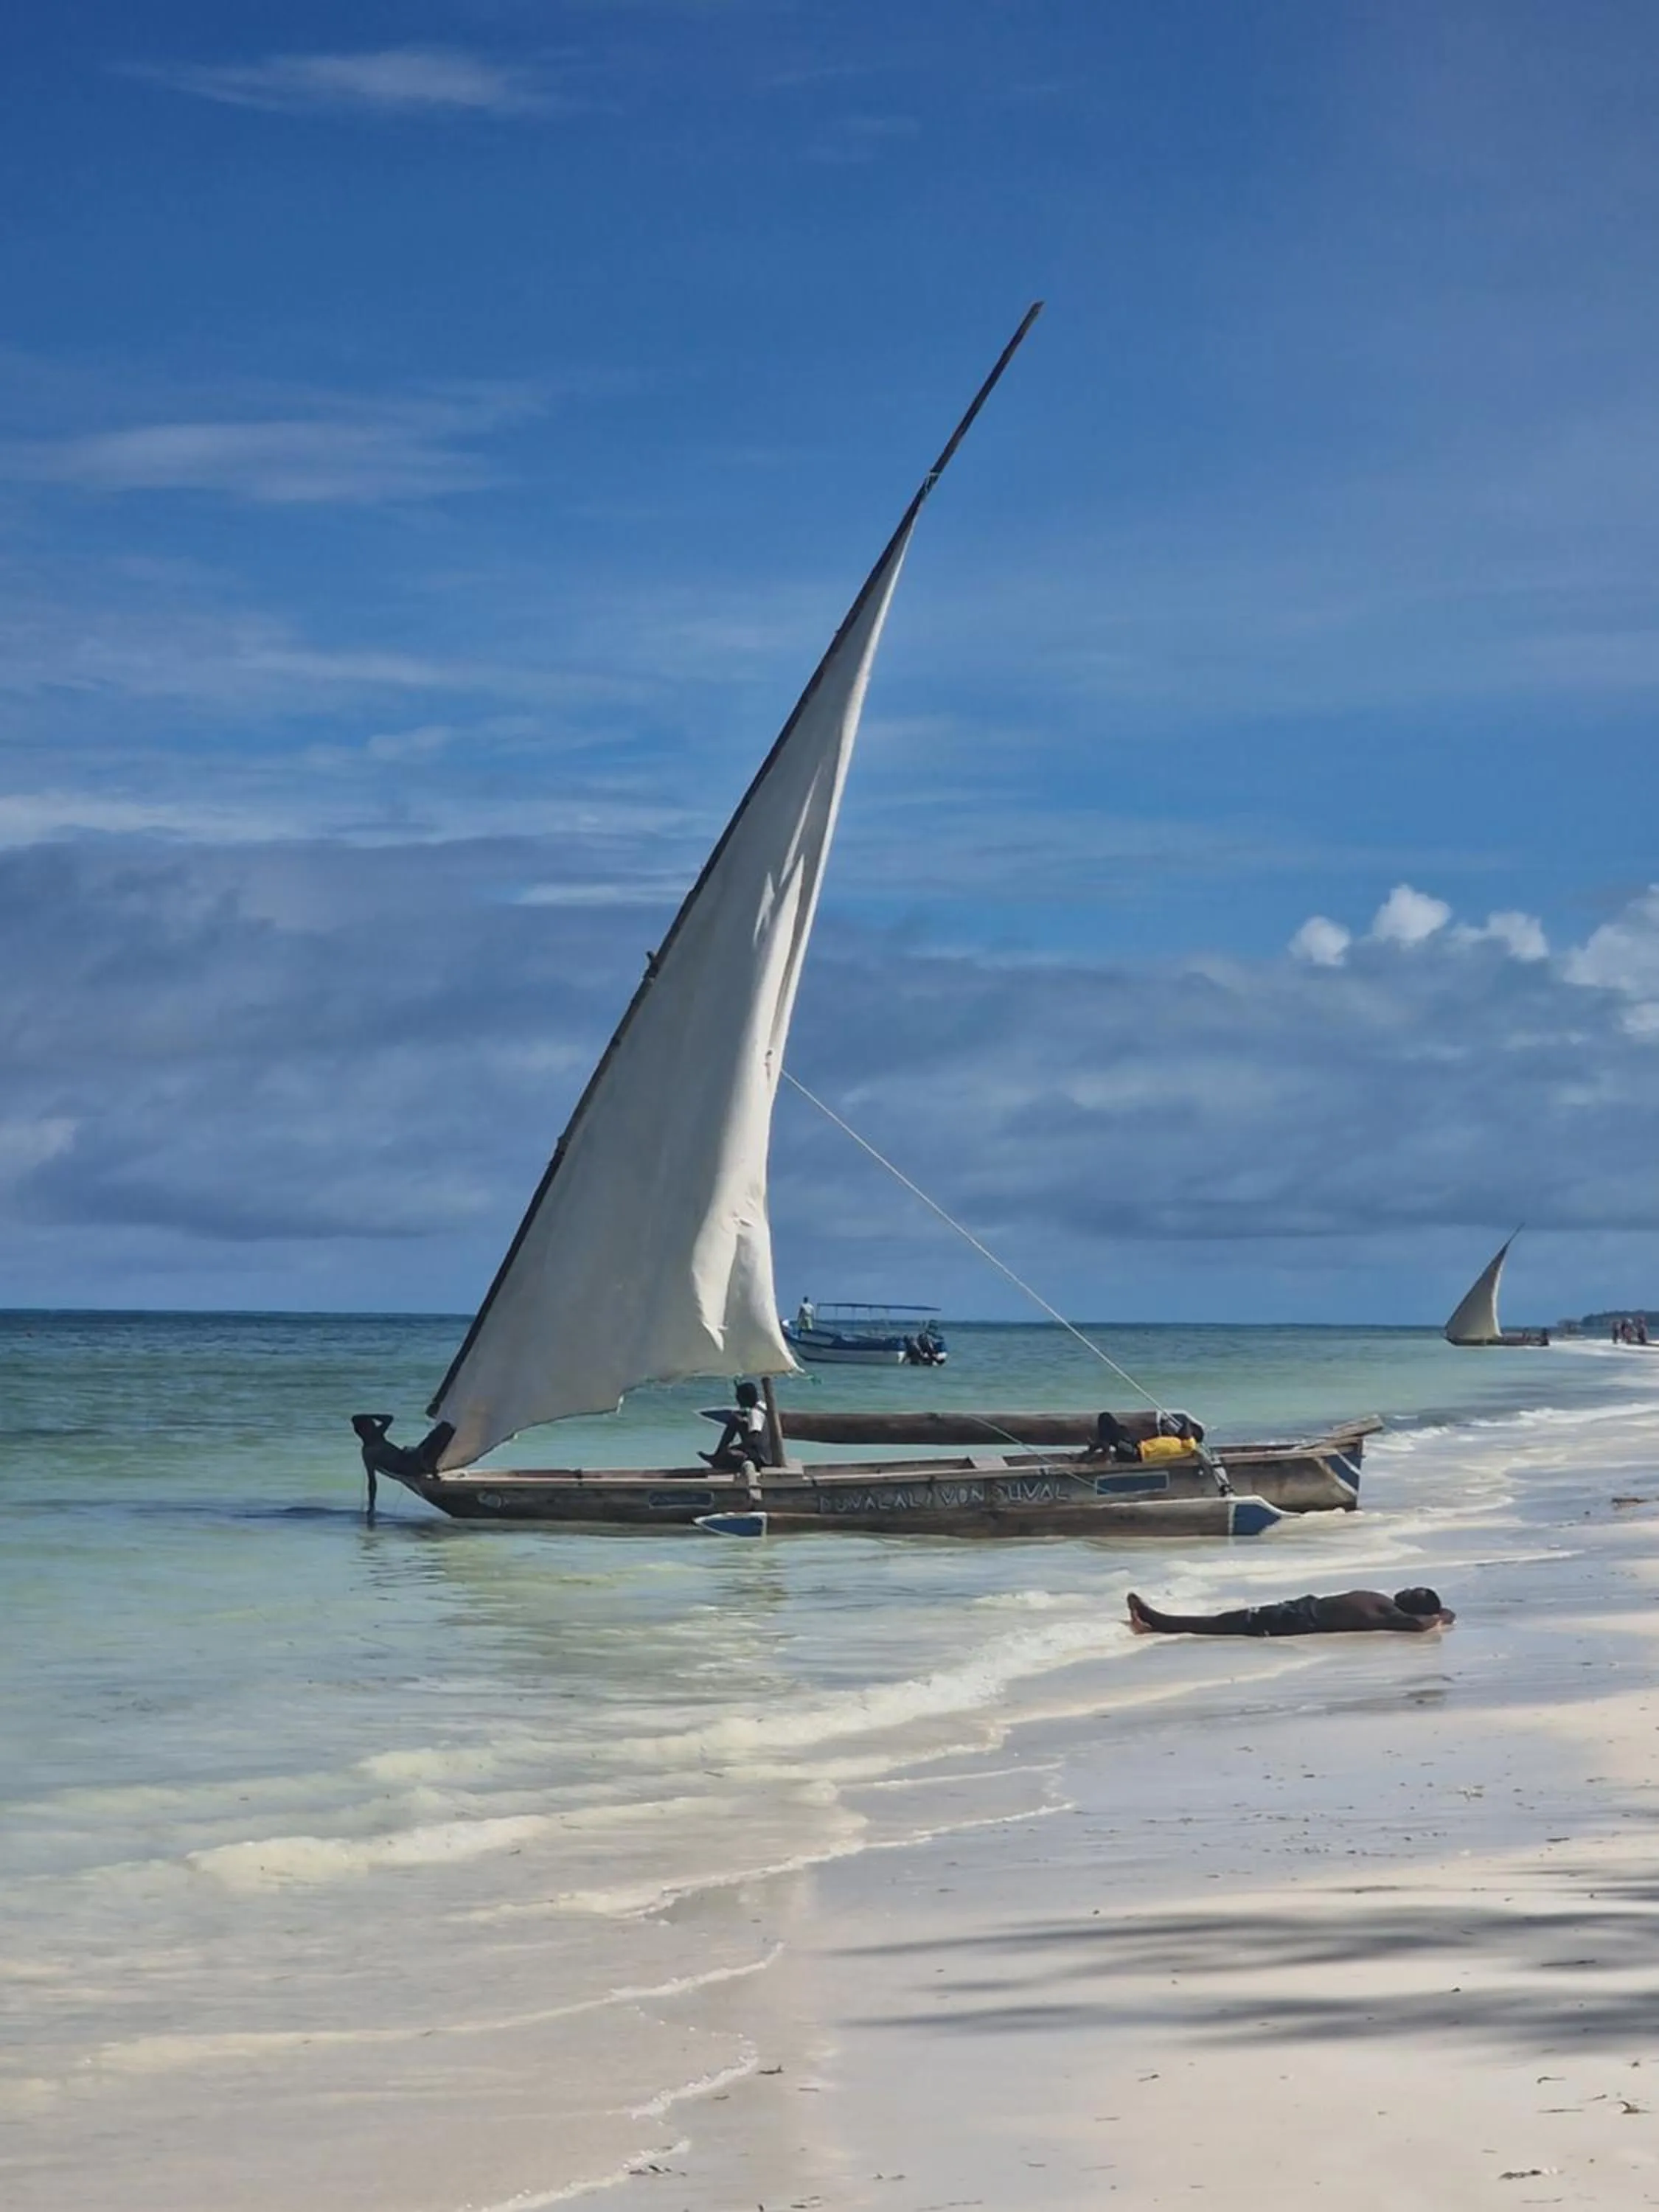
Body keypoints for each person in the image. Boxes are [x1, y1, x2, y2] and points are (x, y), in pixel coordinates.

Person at [1126, 1585, 1455, 1637]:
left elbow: (1419, 1625)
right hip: (1297, 1611)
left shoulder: (1390, 1613)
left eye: (1412, 1592)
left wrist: (1438, 1616)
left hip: (1294, 1620)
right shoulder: (1384, 1606)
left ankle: (1155, 1622)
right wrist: (1442, 1614)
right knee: (1223, 1622)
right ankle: (1155, 1622)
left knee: (1220, 1624)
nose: (1405, 1589)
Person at [699, 1381, 769, 1472]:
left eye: (738, 1397)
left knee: (728, 1453)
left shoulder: (754, 1413)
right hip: (768, 1455)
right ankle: (718, 1455)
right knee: (736, 1419)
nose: (738, 1401)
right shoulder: (763, 1406)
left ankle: (718, 1456)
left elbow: (753, 1440)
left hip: (761, 1459)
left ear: (745, 1398)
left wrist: (735, 1448)